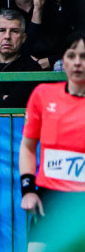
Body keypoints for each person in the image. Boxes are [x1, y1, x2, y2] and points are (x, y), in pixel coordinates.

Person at [19, 31, 85, 221]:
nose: (78, 62)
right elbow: (27, 146)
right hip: (50, 198)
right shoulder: (43, 95)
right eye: (71, 56)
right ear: (63, 61)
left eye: (84, 56)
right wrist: (28, 190)